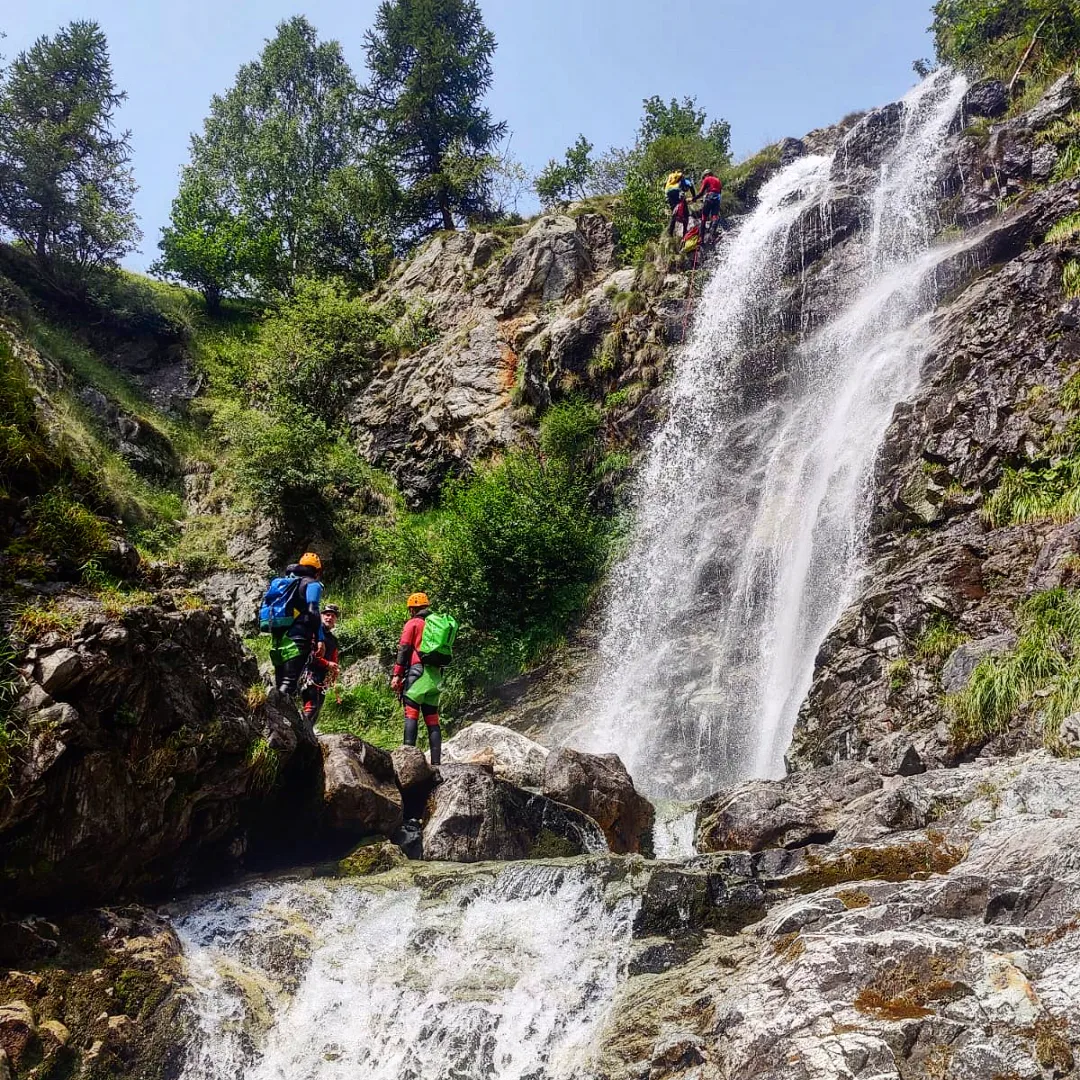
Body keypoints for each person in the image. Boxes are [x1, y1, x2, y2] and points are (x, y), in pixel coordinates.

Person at [390, 592, 443, 766]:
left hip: (417, 672)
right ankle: (436, 764)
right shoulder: (437, 624)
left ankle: (408, 762)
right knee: (432, 720)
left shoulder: (413, 623)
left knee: (411, 715)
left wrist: (397, 675)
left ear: (412, 609)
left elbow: (404, 649)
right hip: (436, 675)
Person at [269, 552, 324, 698]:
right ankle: (278, 716)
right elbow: (313, 611)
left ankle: (272, 714)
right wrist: (320, 638)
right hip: (297, 638)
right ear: (317, 572)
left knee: (281, 681)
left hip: (278, 637)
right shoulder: (312, 584)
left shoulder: (286, 584)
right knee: (289, 681)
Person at [301, 603, 340, 725]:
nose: (329, 618)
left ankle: (307, 736)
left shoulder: (333, 639)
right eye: (327, 615)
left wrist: (334, 671)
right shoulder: (314, 632)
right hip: (310, 674)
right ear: (321, 616)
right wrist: (327, 664)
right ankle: (300, 733)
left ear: (336, 620)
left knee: (316, 709)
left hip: (322, 679)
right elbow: (309, 654)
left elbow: (334, 657)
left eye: (332, 616)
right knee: (311, 707)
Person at [665, 169, 695, 237]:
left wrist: (667, 197)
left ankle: (670, 232)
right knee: (686, 214)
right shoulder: (683, 179)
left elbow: (666, 186)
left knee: (674, 213)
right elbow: (691, 186)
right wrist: (694, 197)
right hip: (677, 193)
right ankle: (684, 233)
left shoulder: (671, 178)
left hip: (669, 195)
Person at [696, 170, 724, 241]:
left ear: (706, 174)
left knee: (704, 217)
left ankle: (701, 238)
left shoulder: (707, 179)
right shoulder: (718, 180)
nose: (704, 178)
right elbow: (719, 191)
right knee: (715, 217)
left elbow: (701, 192)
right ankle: (712, 236)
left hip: (709, 198)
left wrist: (694, 199)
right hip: (717, 199)